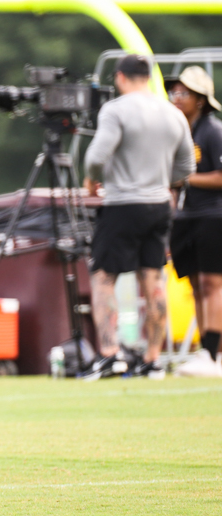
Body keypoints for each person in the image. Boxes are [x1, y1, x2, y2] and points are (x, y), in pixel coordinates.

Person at [82, 54, 195, 380]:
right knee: (154, 279)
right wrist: (163, 179)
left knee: (104, 278)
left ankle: (110, 354)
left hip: (121, 204)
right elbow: (187, 167)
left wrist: (93, 178)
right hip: (159, 203)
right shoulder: (172, 113)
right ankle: (152, 359)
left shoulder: (117, 110)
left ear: (120, 77)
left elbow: (96, 157)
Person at [166, 66, 222, 378]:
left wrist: (187, 179)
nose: (176, 98)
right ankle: (206, 350)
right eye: (174, 92)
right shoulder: (179, 131)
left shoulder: (213, 131)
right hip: (185, 217)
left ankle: (216, 352)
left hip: (212, 216)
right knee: (197, 285)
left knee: (214, 283)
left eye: (183, 93)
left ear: (200, 99)